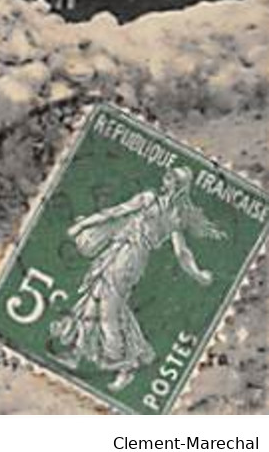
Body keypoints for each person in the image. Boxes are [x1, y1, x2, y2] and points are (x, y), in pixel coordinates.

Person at [49, 167, 224, 392]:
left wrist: (197, 273)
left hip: (131, 258)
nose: (166, 180)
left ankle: (123, 365)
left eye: (172, 179)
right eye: (167, 176)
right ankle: (77, 351)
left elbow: (181, 251)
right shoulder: (149, 198)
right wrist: (84, 225)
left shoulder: (175, 216)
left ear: (181, 186)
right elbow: (115, 212)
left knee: (108, 311)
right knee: (94, 297)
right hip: (117, 250)